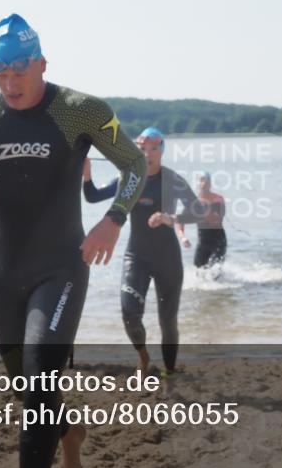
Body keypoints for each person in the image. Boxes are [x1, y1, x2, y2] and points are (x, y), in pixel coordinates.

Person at [0, 13, 146, 468]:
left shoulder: (78, 110)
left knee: (41, 385)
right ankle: (69, 435)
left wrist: (113, 219)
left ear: (42, 63)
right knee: (28, 391)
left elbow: (133, 163)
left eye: (18, 73)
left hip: (60, 269)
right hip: (3, 271)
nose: (9, 84)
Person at [82, 128, 206, 375]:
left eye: (153, 148)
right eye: (142, 148)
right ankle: (143, 355)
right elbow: (92, 196)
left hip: (167, 258)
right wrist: (87, 175)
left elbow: (199, 211)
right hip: (136, 256)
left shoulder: (172, 180)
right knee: (129, 314)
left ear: (161, 151)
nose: (147, 153)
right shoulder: (128, 179)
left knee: (167, 321)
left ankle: (170, 371)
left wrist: (171, 218)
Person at [191, 172, 227, 270]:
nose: (203, 183)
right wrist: (182, 237)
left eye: (205, 181)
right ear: (197, 183)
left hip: (218, 241)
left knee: (215, 269)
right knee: (197, 270)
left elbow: (217, 219)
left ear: (210, 183)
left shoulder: (218, 199)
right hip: (202, 241)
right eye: (201, 180)